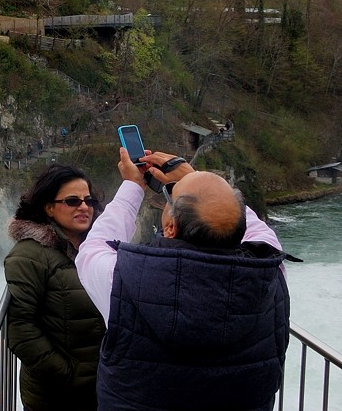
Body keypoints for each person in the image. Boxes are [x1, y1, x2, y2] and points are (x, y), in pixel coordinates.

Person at [76, 149, 289, 411]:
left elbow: (92, 247)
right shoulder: (271, 274)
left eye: (170, 198)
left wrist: (133, 186)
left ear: (170, 228)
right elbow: (259, 232)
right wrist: (196, 178)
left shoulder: (121, 279)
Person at [4, 164, 106, 411]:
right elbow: (21, 328)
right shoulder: (29, 255)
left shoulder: (98, 249)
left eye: (88, 200)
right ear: (49, 208)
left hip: (102, 388)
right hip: (57, 396)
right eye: (72, 201)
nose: (84, 207)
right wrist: (68, 374)